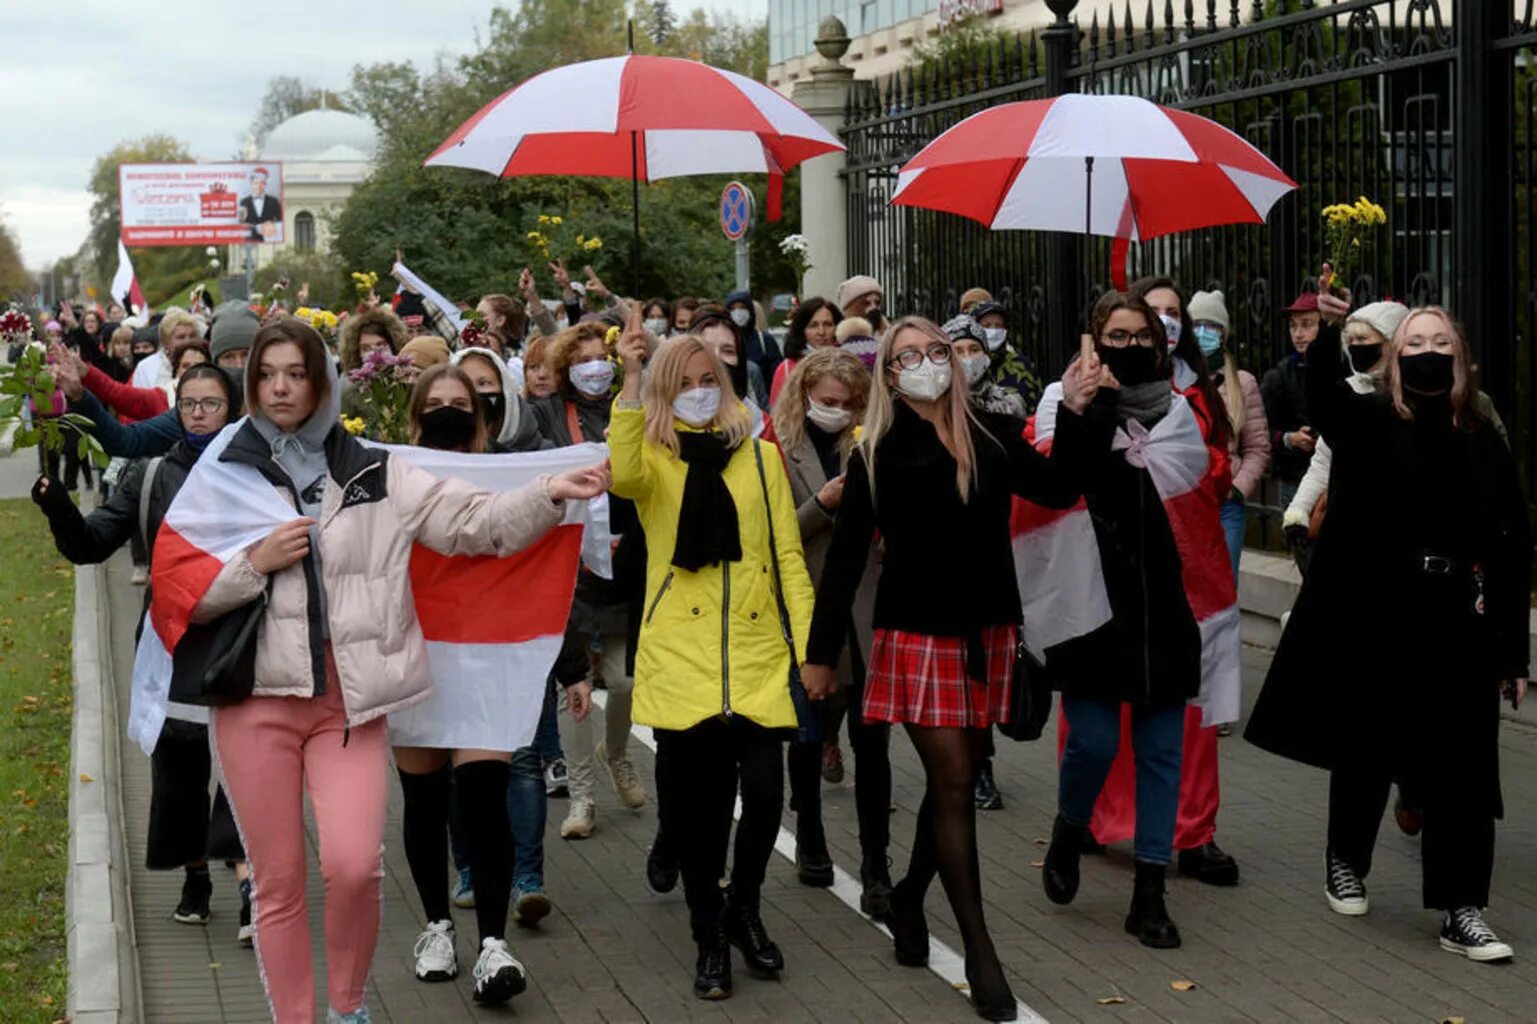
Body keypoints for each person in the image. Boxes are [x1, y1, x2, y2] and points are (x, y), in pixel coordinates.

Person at [185, 315, 608, 1023]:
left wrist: (547, 494)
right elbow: (183, 592)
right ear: (251, 384)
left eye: (296, 372)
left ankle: (347, 1008)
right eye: (267, 374)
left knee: (352, 867)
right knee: (280, 882)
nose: (281, 387)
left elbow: (477, 523)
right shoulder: (223, 473)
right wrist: (253, 566)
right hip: (253, 698)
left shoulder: (378, 471)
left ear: (323, 382)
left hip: (348, 706)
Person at [802, 316, 1106, 1021]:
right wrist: (821, 657)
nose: (926, 364)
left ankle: (909, 896)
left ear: (954, 360)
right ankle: (979, 949)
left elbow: (1061, 487)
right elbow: (845, 562)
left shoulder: (993, 433)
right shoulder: (874, 453)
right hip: (915, 638)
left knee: (952, 783)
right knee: (956, 780)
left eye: (935, 351)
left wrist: (1083, 409)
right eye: (907, 355)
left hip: (988, 632)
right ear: (887, 374)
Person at [1247, 297, 1529, 963]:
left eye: (1440, 340)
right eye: (1414, 341)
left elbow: (1512, 542)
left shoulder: (1480, 437)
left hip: (1454, 618)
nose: (1427, 349)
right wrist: (1324, 331)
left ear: (1458, 359)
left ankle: (1462, 910)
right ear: (1395, 360)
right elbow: (1323, 399)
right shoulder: (1368, 419)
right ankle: (1344, 855)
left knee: (1462, 765)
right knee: (1367, 745)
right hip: (1377, 613)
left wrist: (1511, 648)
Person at [610, 312, 816, 1002]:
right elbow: (622, 471)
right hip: (680, 658)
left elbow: (787, 555)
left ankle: (743, 909)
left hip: (757, 657)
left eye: (710, 380)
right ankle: (707, 936)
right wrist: (633, 379)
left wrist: (811, 647)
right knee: (697, 817)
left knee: (763, 797)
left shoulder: (760, 455)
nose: (700, 391)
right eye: (685, 383)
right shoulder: (655, 459)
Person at [389, 362, 594, 1004]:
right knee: (422, 803)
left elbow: (550, 563)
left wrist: (571, 664)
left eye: (462, 402)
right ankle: (436, 927)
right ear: (414, 418)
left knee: (483, 799)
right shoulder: (385, 477)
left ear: (481, 420)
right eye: (437, 403)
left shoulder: (516, 477)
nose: (450, 411)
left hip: (487, 658)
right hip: (413, 654)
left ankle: (492, 944)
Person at [32, 365, 253, 943]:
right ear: (176, 409)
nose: (200, 413)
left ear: (233, 409)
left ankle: (253, 882)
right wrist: (59, 508)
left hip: (245, 638)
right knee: (179, 770)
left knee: (249, 763)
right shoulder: (152, 476)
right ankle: (196, 879)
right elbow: (91, 545)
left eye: (211, 403)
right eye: (189, 404)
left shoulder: (258, 473)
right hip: (172, 644)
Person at [1034, 293, 1213, 953]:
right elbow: (1057, 487)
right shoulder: (1068, 406)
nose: (1131, 345)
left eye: (1141, 335)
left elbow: (1197, 503)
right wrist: (1093, 402)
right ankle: (1068, 824)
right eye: (1116, 334)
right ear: (1093, 339)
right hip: (1093, 609)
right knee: (1094, 742)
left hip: (1164, 608)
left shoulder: (1177, 412)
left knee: (1162, 752)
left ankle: (1149, 892)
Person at [768, 348, 894, 916]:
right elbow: (773, 537)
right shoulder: (774, 451)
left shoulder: (872, 441)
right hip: (809, 606)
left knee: (872, 738)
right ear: (804, 397)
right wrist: (822, 502)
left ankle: (876, 864)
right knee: (810, 727)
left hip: (867, 606)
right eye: (826, 402)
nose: (837, 412)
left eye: (848, 404)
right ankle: (811, 834)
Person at [528, 324, 649, 837]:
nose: (595, 366)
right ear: (565, 367)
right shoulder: (547, 413)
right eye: (583, 359)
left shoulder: (630, 404)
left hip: (625, 561)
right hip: (568, 562)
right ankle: (581, 796)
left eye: (603, 357)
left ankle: (616, 752)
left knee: (624, 679)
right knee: (570, 686)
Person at [1187, 290, 1270, 580]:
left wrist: (1237, 488)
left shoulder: (1242, 383)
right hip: (1185, 500)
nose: (1203, 333)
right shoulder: (1176, 377)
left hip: (1226, 504)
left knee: (1224, 586)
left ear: (1223, 333)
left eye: (1212, 326)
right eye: (1196, 324)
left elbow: (1258, 447)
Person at [1263, 291, 1321, 512]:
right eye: (1293, 326)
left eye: (1307, 324)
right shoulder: (1279, 376)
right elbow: (1257, 431)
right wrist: (1290, 439)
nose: (1298, 334)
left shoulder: (1342, 369)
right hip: (1294, 479)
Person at [944, 314, 1027, 419]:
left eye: (974, 350)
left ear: (986, 357)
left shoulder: (1009, 403)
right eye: (958, 351)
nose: (967, 357)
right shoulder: (936, 404)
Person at [967, 301, 1043, 415]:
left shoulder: (1021, 365)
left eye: (998, 326)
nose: (993, 331)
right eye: (986, 325)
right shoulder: (966, 364)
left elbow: (1037, 405)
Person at [768, 297, 842, 406]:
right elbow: (776, 415)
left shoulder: (847, 364)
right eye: (813, 325)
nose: (821, 332)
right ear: (802, 330)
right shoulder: (786, 369)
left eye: (827, 324)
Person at [724, 290, 784, 387]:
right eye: (733, 309)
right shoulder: (723, 342)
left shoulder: (765, 341)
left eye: (742, 308)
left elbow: (778, 378)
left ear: (751, 311)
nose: (738, 312)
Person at [240, 167, 283, 241]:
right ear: (252, 184)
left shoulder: (274, 201)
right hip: (250, 240)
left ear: (265, 184)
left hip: (270, 240)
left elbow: (280, 222)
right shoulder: (243, 202)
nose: (258, 186)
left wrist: (272, 226)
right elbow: (241, 223)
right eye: (256, 183)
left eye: (262, 183)